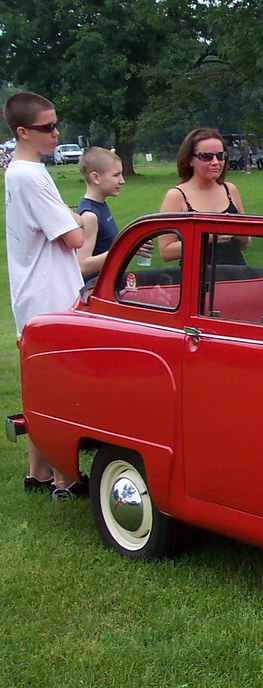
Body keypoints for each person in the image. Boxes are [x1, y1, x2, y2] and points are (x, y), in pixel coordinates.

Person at [3, 91, 87, 499]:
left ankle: (37, 473)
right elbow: (74, 237)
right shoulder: (30, 176)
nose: (56, 133)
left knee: (39, 388)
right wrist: (77, 217)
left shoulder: (19, 171)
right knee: (58, 392)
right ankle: (64, 479)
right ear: (23, 131)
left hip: (33, 293)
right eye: (47, 127)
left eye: (56, 125)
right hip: (49, 295)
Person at [158, 127, 249, 264]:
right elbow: (166, 251)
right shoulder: (177, 196)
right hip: (197, 275)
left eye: (220, 156)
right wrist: (208, 238)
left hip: (235, 273)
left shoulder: (230, 190)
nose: (215, 162)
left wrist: (239, 233)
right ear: (190, 160)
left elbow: (246, 243)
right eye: (206, 156)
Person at [76, 147, 126, 280]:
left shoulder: (100, 205)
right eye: (116, 175)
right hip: (94, 289)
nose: (122, 181)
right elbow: (82, 266)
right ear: (96, 178)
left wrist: (133, 246)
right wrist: (125, 249)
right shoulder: (89, 215)